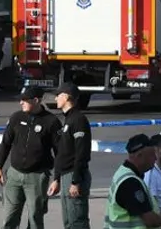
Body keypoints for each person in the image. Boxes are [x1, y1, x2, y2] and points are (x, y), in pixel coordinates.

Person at [0, 88, 62, 229]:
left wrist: (57, 179)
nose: (21, 103)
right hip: (14, 175)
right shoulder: (16, 118)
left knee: (35, 218)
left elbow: (59, 152)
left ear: (36, 100)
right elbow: (5, 143)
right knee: (9, 217)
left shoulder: (51, 121)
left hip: (37, 177)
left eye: (24, 100)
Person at [104, 134, 161, 229]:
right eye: (152, 155)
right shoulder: (130, 183)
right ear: (140, 156)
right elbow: (150, 221)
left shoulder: (126, 173)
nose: (155, 158)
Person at [52, 83, 92, 229]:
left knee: (77, 221)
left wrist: (76, 180)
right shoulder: (68, 119)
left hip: (74, 176)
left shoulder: (78, 119)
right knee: (69, 222)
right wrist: (56, 178)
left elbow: (81, 153)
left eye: (58, 95)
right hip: (65, 175)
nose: (55, 98)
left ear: (67, 96)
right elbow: (63, 152)